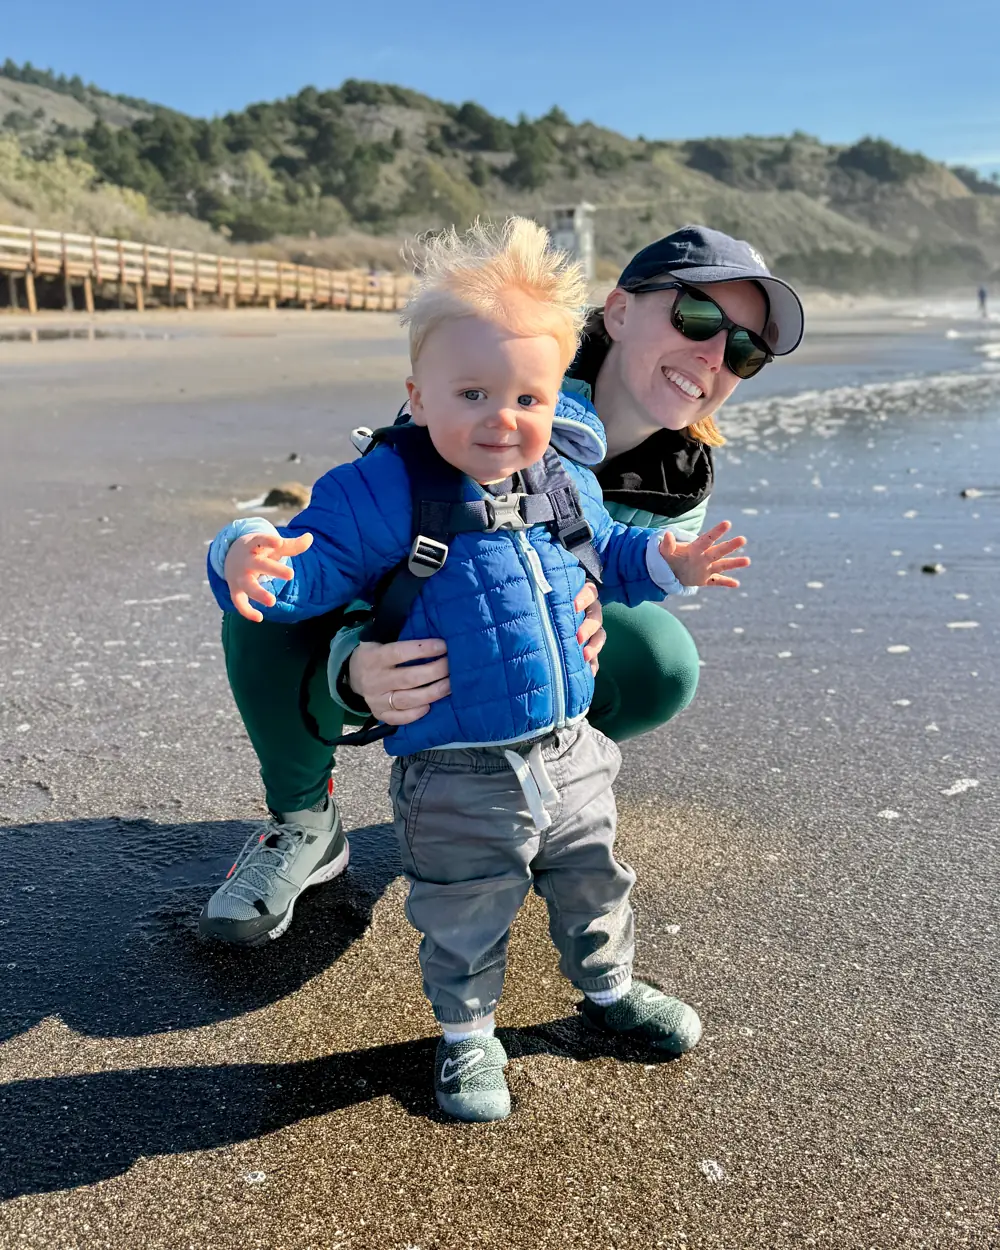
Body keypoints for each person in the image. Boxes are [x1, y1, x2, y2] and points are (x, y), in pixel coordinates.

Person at [205, 218, 752, 1120]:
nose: (715, 351)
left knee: (594, 873)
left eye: (745, 347)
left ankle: (609, 988)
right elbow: (317, 559)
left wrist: (666, 568)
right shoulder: (437, 434)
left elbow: (616, 552)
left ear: (553, 404)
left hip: (559, 744)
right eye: (697, 314)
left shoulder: (634, 469)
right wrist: (294, 603)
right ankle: (453, 1022)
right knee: (462, 907)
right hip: (438, 718)